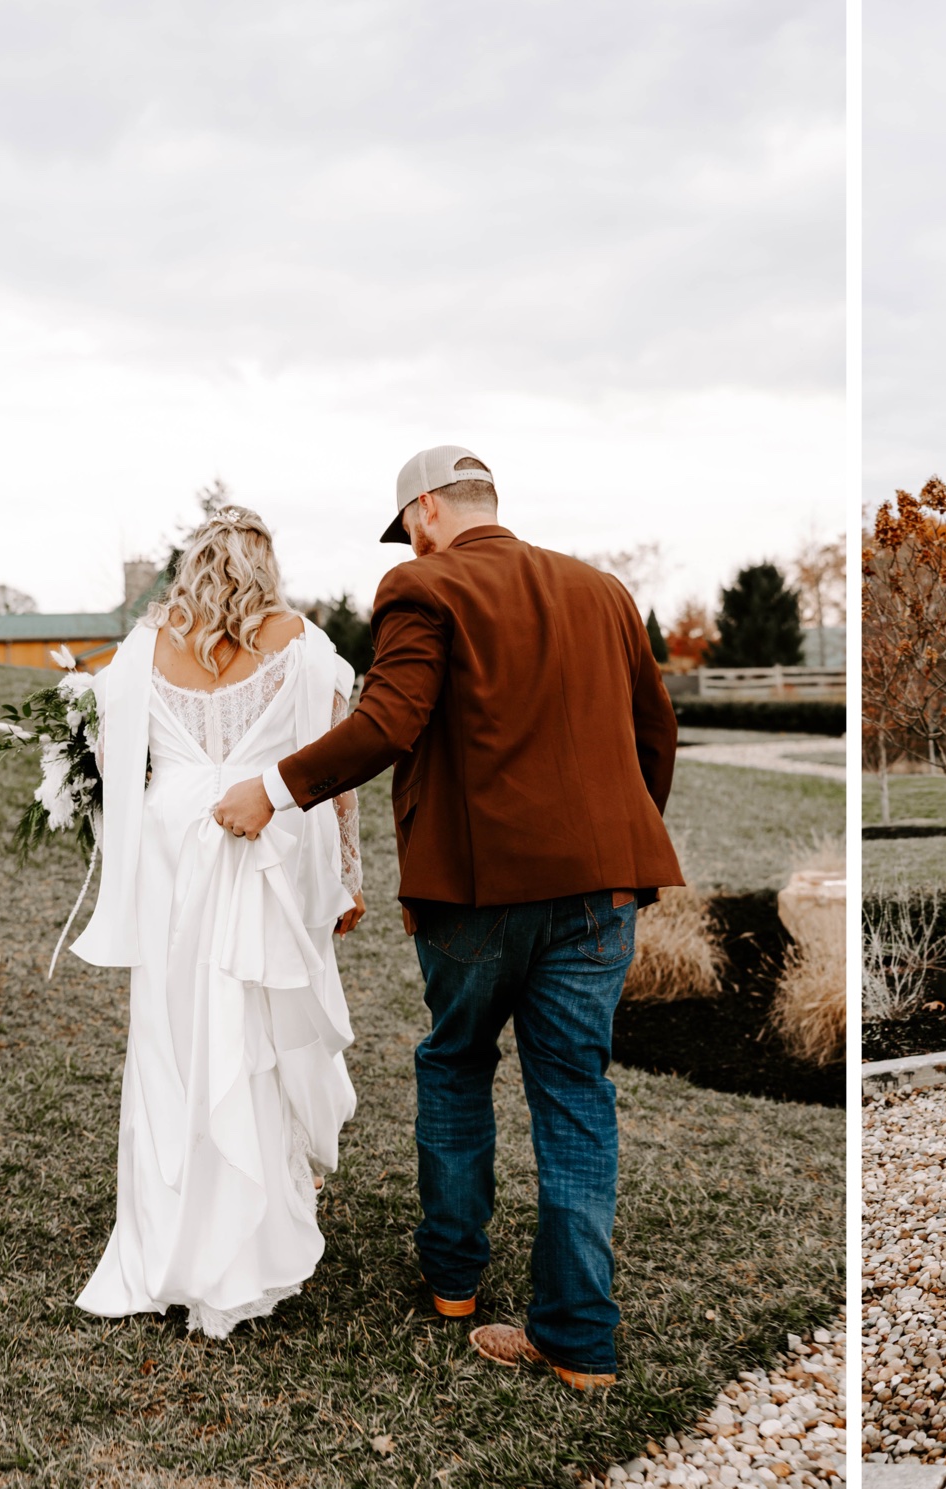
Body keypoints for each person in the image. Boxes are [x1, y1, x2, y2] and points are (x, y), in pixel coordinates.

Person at [213, 445, 683, 1390]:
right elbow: (655, 732)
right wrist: (621, 849)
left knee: (459, 1064)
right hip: (600, 893)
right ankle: (581, 1340)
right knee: (577, 1096)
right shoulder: (603, 591)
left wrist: (274, 787)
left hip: (477, 891)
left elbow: (390, 722)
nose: (410, 539)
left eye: (409, 523)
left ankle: (456, 1280)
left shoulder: (420, 586)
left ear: (427, 508)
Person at [72, 506, 365, 1339]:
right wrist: (347, 876)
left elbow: (106, 756)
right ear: (264, 564)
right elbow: (338, 762)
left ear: (194, 561)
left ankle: (164, 1246)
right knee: (248, 1036)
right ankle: (242, 1247)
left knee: (170, 1042)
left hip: (171, 859)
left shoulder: (144, 645)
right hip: (260, 845)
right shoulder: (301, 644)